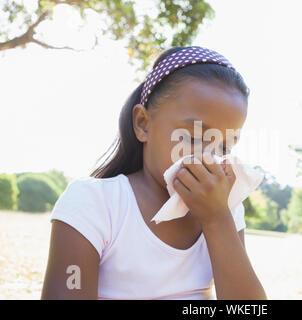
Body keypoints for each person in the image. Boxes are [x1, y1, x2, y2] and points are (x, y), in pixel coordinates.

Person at [41, 45, 267, 300]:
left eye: (224, 146)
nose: (209, 157)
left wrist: (217, 219)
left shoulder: (227, 209)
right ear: (143, 124)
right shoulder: (96, 203)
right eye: (193, 136)